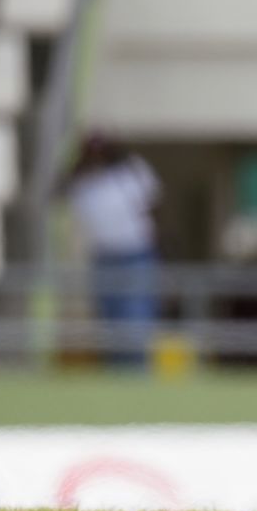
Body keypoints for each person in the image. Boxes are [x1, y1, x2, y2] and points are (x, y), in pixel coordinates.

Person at [62, 132, 163, 367]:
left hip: (135, 254)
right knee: (110, 320)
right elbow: (58, 192)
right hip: (104, 256)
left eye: (102, 149)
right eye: (92, 150)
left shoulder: (131, 170)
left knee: (135, 317)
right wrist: (78, 165)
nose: (98, 155)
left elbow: (154, 202)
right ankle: (115, 370)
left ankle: (136, 370)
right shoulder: (83, 180)